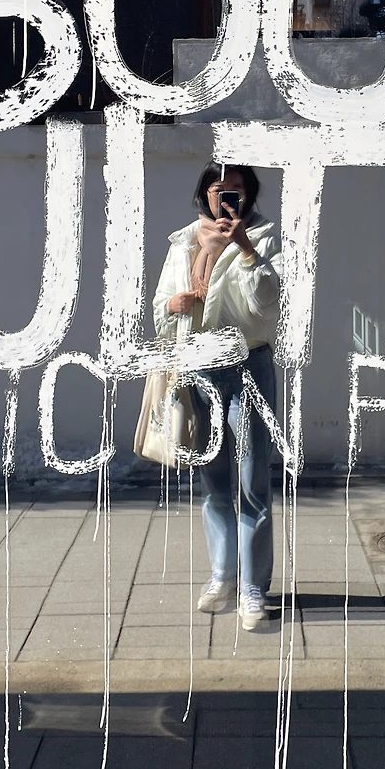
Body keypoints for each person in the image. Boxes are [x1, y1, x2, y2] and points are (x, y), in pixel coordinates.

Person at [152, 164, 280, 631]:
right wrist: (174, 304)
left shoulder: (263, 237)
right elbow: (160, 311)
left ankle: (252, 590)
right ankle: (223, 576)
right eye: (218, 190)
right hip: (200, 366)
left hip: (248, 365)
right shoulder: (184, 242)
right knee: (214, 483)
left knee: (252, 481)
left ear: (249, 195)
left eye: (236, 191)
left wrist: (245, 249)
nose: (227, 199)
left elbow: (267, 304)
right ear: (205, 194)